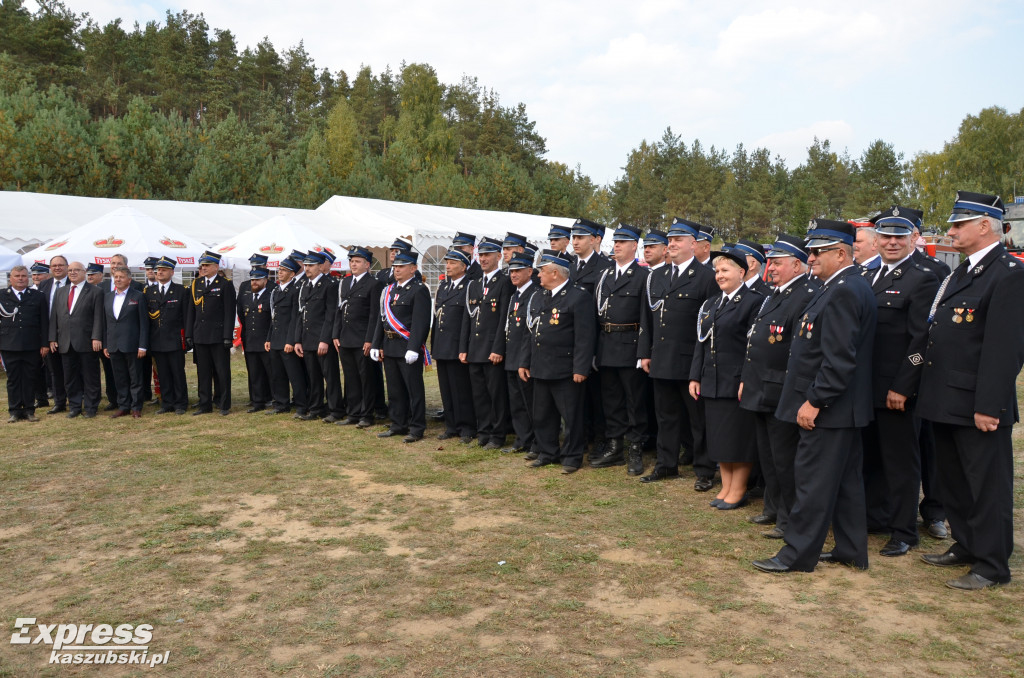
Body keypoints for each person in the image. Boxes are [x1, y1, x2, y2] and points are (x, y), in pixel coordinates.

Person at [753, 219, 876, 574]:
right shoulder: (839, 285)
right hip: (842, 409)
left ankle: (796, 554)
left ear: (841, 254)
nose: (810, 258)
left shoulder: (844, 290)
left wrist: (816, 401)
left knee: (812, 484)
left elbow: (839, 360)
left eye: (818, 252)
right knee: (847, 483)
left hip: (830, 409)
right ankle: (851, 550)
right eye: (810, 252)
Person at [916, 191, 1024, 590]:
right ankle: (966, 544)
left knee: (986, 487)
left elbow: (1004, 349)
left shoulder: (1008, 273)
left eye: (958, 225)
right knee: (955, 482)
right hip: (945, 398)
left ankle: (992, 564)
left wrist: (990, 406)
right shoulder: (962, 272)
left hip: (978, 403)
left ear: (984, 226)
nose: (951, 232)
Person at [859, 206, 939, 557]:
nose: (892, 242)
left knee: (901, 462)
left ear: (912, 240)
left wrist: (904, 386)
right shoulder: (866, 275)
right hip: (866, 387)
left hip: (896, 389)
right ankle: (875, 517)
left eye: (899, 237)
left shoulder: (922, 278)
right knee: (871, 457)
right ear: (876, 240)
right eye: (886, 237)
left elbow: (922, 340)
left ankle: (904, 531)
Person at [740, 234, 819, 538]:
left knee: (785, 459)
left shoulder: (805, 294)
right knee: (769, 456)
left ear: (797, 265)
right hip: (762, 386)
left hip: (782, 389)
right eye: (770, 262)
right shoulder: (776, 293)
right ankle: (772, 508)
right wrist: (747, 378)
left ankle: (788, 518)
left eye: (777, 263)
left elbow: (799, 349)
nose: (770, 268)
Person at [638, 218, 718, 489]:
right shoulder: (656, 275)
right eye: (670, 240)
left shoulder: (706, 277)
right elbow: (647, 318)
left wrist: (702, 364)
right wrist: (645, 353)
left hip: (690, 361)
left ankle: (704, 470)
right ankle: (666, 465)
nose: (671, 244)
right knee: (666, 417)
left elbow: (708, 324)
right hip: (661, 358)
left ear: (693, 244)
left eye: (678, 240)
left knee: (698, 420)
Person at [690, 248, 765, 508]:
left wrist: (747, 378)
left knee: (738, 438)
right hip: (712, 380)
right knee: (719, 438)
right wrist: (695, 376)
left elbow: (754, 347)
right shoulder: (711, 303)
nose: (719, 275)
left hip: (736, 382)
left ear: (741, 272)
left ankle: (739, 488)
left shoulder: (753, 302)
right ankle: (726, 485)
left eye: (725, 270)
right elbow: (701, 343)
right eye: (717, 271)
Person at [518, 249, 596, 474]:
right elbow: (531, 332)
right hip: (540, 366)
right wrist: (525, 362)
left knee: (571, 416)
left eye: (542, 271)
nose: (538, 275)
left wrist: (581, 368)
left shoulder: (578, 297)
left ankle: (572, 456)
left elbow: (585, 337)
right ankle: (547, 452)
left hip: (566, 369)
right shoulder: (540, 296)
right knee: (542, 415)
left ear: (555, 273)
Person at [589, 223, 649, 475]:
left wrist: (643, 352)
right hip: (606, 344)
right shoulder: (604, 275)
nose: (617, 246)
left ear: (634, 246)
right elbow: (595, 315)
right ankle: (615, 446)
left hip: (630, 344)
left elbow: (646, 318)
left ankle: (635, 448)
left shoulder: (643, 276)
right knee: (611, 399)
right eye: (615, 242)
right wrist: (594, 350)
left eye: (622, 242)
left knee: (634, 400)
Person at [371, 249, 431, 443]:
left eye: (401, 266)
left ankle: (416, 427)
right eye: (395, 266)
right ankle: (398, 424)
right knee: (395, 390)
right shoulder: (390, 290)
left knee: (413, 390)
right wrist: (376, 343)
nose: (397, 269)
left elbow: (420, 322)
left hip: (407, 347)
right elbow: (382, 319)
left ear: (413, 268)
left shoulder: (419, 290)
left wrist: (414, 347)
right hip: (390, 346)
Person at [461, 237, 512, 449]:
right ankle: (484, 432)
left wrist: (498, 348)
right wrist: (463, 348)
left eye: (487, 255)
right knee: (479, 394)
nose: (482, 259)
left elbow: (504, 318)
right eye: (480, 255)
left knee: (496, 395)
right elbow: (468, 318)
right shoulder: (474, 284)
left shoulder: (504, 282)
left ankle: (498, 435)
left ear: (498, 257)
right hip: (475, 348)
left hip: (492, 350)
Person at [332, 246, 383, 427]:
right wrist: (335, 334)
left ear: (367, 264)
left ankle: (366, 415)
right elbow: (339, 310)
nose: (353, 264)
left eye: (357, 261)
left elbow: (374, 315)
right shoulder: (345, 282)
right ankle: (353, 413)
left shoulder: (373, 284)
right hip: (345, 337)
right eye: (352, 261)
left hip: (362, 339)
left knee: (366, 379)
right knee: (351, 378)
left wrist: (370, 340)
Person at [48, 261, 105, 419]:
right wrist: (52, 338)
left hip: (87, 341)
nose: (73, 272)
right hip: (65, 342)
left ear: (84, 272)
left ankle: (91, 406)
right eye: (70, 270)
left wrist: (96, 337)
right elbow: (54, 317)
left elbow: (98, 316)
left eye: (76, 270)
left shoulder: (95, 291)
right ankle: (74, 406)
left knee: (90, 376)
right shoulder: (61, 292)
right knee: (70, 377)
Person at [498, 251, 540, 455]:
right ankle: (522, 438)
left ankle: (536, 441)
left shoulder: (535, 294)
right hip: (512, 355)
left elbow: (529, 332)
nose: (513, 274)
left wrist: (525, 360)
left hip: (526, 358)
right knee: (516, 403)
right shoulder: (515, 295)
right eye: (511, 271)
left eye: (518, 270)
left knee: (531, 403)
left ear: (530, 271)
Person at [432, 249, 476, 442]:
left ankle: (466, 427)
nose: (448, 266)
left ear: (463, 266)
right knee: (446, 389)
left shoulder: (469, 286)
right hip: (442, 345)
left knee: (461, 390)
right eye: (447, 263)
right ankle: (451, 426)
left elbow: (468, 320)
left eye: (452, 263)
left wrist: (464, 348)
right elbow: (437, 318)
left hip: (457, 346)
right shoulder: (443, 287)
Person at [185, 251, 235, 415]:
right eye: (202, 265)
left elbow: (229, 312)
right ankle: (204, 404)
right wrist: (189, 334)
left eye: (207, 265)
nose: (203, 268)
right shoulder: (196, 284)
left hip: (218, 335)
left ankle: (224, 404)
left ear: (216, 266)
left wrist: (227, 336)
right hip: (200, 335)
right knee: (203, 372)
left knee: (222, 371)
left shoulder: (225, 284)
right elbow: (191, 311)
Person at [294, 251, 340, 421]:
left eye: (311, 265)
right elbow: (301, 314)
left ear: (320, 266)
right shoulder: (305, 285)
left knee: (330, 376)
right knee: (313, 377)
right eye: (305, 265)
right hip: (307, 338)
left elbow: (330, 315)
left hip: (322, 339)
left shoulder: (329, 285)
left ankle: (335, 410)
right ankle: (316, 408)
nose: (307, 268)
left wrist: (325, 340)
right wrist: (298, 340)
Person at [1, 265, 49, 422]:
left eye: (23, 276)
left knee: (30, 378)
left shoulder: (37, 296)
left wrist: (44, 344)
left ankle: (29, 410)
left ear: (27, 278)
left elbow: (44, 322)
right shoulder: (2, 296)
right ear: (10, 278)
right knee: (13, 379)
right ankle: (14, 411)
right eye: (17, 276)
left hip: (31, 344)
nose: (20, 279)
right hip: (9, 345)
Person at [102, 266, 149, 418]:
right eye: (116, 277)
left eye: (121, 277)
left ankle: (136, 406)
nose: (118, 280)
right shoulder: (108, 297)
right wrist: (106, 344)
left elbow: (144, 323)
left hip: (132, 344)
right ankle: (123, 406)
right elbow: (105, 323)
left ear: (129, 280)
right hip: (114, 345)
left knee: (135, 378)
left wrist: (143, 345)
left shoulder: (138, 296)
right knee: (119, 378)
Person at [145, 257, 188, 415]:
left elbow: (186, 317)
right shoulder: (149, 292)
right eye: (158, 270)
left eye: (164, 270)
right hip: (157, 339)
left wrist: (187, 339)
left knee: (177, 373)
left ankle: (180, 403)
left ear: (172, 272)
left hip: (175, 339)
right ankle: (167, 403)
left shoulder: (181, 291)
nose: (159, 272)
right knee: (162, 374)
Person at [265, 257, 307, 417]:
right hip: (276, 339)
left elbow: (295, 318)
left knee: (295, 375)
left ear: (292, 274)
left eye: (283, 270)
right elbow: (274, 317)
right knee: (278, 375)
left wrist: (291, 341)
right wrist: (269, 338)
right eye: (279, 270)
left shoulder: (295, 290)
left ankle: (301, 405)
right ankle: (281, 404)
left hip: (287, 340)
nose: (279, 273)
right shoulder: (276, 291)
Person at [237, 268, 272, 413]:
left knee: (271, 373)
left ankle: (276, 399)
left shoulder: (271, 296)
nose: (254, 282)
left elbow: (273, 320)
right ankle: (258, 402)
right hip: (250, 341)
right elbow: (242, 316)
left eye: (257, 280)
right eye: (252, 280)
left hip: (265, 341)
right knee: (254, 373)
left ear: (265, 281)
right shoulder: (246, 297)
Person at [38, 255, 69, 414]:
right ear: (50, 268)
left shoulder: (74, 283)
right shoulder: (44, 285)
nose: (57, 268)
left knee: (72, 370)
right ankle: (59, 402)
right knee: (55, 371)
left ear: (67, 267)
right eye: (54, 265)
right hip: (50, 335)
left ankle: (77, 399)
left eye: (60, 265)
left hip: (69, 334)